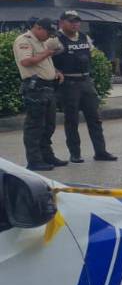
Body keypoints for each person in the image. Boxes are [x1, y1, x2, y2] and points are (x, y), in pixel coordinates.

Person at [53, 10, 117, 163]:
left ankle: (100, 152)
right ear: (62, 22)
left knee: (94, 119)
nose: (75, 24)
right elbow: (46, 59)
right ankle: (75, 154)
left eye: (77, 21)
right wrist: (55, 71)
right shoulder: (56, 39)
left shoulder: (84, 37)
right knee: (72, 120)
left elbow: (92, 55)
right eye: (71, 21)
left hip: (86, 82)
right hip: (68, 84)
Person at [13, 18, 66, 171]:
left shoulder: (42, 41)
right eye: (48, 32)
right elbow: (26, 62)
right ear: (37, 28)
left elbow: (43, 63)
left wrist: (55, 72)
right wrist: (47, 53)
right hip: (35, 88)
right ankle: (34, 160)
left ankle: (47, 156)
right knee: (35, 126)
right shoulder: (24, 40)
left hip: (47, 88)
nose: (49, 36)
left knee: (49, 125)